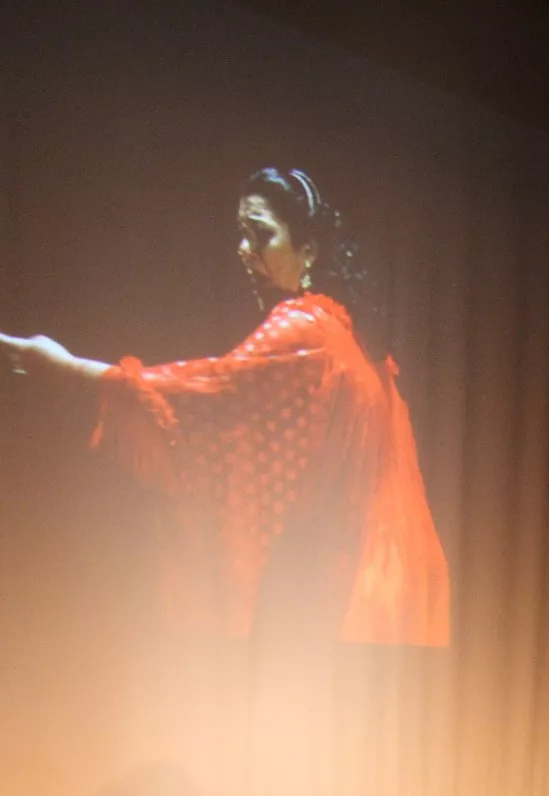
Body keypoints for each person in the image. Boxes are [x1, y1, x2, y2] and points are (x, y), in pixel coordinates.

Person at [0, 167, 449, 647]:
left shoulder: (307, 328)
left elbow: (207, 392)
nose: (245, 249)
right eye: (242, 234)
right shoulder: (354, 337)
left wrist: (67, 369)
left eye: (261, 234)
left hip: (354, 592)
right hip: (396, 585)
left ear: (309, 250)